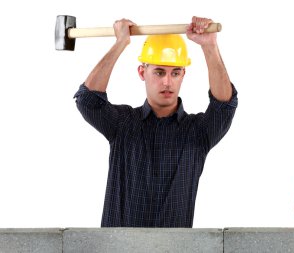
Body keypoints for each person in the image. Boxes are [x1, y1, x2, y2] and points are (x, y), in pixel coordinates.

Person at [74, 16, 238, 227]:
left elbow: (224, 106)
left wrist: (210, 46)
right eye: (159, 72)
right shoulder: (123, 124)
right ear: (142, 72)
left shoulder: (197, 132)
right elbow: (87, 100)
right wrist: (120, 43)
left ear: (183, 75)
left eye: (175, 73)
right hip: (117, 248)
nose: (167, 82)